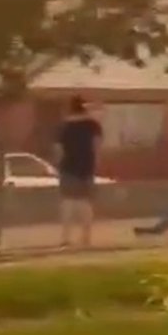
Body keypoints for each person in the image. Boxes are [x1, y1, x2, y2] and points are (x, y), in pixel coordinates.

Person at [56, 96, 103, 249]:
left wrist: (58, 166)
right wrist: (95, 164)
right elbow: (96, 147)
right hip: (87, 168)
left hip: (68, 168)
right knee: (85, 203)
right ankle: (86, 237)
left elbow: (59, 150)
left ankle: (65, 238)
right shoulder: (93, 126)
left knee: (68, 202)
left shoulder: (64, 126)